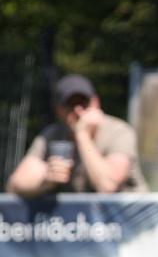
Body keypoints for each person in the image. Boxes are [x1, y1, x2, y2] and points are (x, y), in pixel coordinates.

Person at [6, 73, 147, 197]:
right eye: (71, 104)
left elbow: (107, 185)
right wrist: (46, 178)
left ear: (96, 103)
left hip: (131, 223)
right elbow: (14, 186)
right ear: (58, 110)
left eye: (84, 103)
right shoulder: (52, 135)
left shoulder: (119, 131)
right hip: (81, 222)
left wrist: (82, 135)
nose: (78, 110)